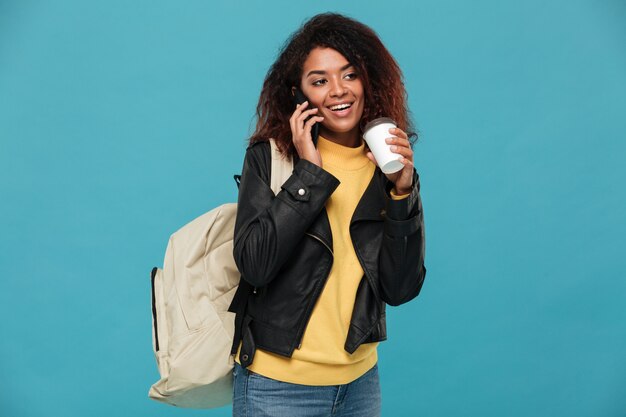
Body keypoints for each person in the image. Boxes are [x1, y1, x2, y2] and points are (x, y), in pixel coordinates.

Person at [228, 12, 426, 417]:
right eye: (319, 81)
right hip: (277, 385)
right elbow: (255, 264)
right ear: (299, 95)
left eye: (349, 75)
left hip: (359, 385)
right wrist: (309, 175)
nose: (338, 91)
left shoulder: (387, 166)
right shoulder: (271, 158)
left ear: (368, 80)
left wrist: (403, 192)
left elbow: (400, 288)